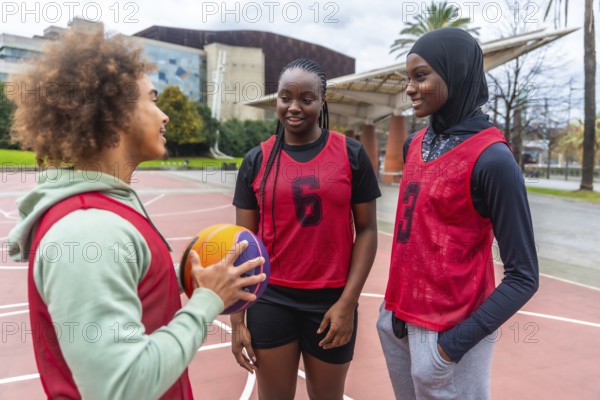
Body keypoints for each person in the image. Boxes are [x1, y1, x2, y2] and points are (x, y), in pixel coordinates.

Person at [7, 31, 265, 400]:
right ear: (116, 114)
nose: (165, 115)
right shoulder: (87, 230)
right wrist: (207, 302)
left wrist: (186, 280)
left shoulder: (101, 208)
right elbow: (122, 386)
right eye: (153, 101)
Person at [377, 28, 539, 399]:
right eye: (408, 78)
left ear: (457, 74)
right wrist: (391, 316)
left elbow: (524, 276)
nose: (410, 88)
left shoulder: (493, 159)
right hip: (397, 319)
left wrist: (450, 348)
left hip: (449, 332)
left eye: (421, 76)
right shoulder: (414, 144)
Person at [231, 58, 381, 399]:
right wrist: (238, 321)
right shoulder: (257, 159)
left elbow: (368, 230)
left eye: (306, 99)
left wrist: (348, 302)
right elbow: (245, 245)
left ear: (322, 100)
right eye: (286, 97)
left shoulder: (351, 154)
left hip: (331, 303)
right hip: (271, 300)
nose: (294, 107)